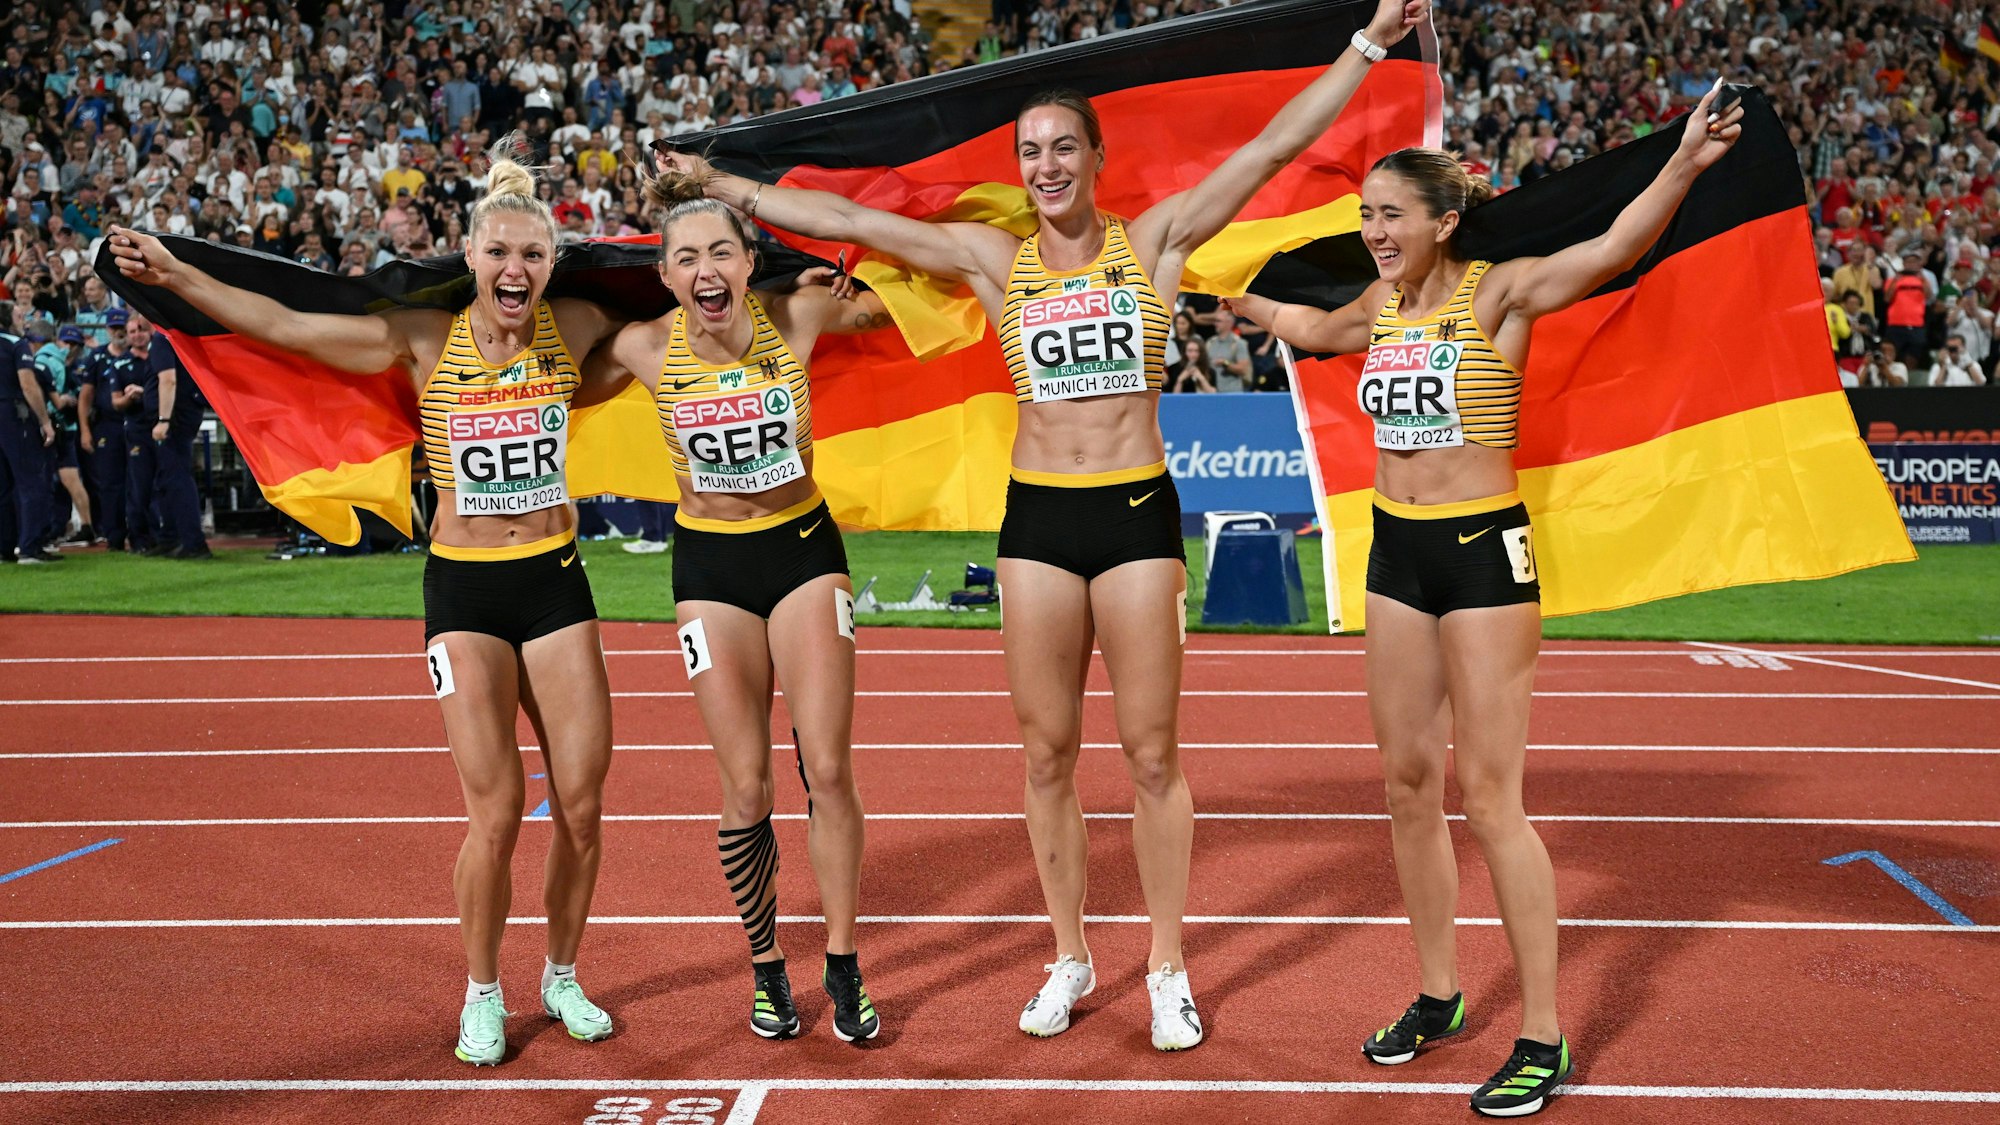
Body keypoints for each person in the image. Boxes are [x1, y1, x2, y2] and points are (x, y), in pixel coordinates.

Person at [660, 0, 1430, 1052]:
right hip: (1036, 523)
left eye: (1063, 146)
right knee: (1044, 754)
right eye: (1030, 152)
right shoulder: (990, 257)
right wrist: (720, 185)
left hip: (1133, 514)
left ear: (1095, 157)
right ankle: (1067, 954)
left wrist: (1367, 42)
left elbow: (1276, 142)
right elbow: (848, 224)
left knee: (1152, 755)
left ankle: (1164, 965)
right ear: (1017, 168)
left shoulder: (1154, 239)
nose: (1046, 164)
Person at [1223, 83, 1745, 1118]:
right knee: (1407, 786)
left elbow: (1606, 256)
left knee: (1489, 799)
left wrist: (1682, 162)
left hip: (1479, 554)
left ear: (1441, 222)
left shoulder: (1496, 292)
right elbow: (1319, 331)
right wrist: (1235, 298)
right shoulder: (1380, 306)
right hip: (1395, 553)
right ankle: (1435, 993)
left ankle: (1541, 1034)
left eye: (1389, 214)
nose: (1372, 231)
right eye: (1364, 214)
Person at [108, 134, 625, 1067]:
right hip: (465, 589)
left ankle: (560, 973)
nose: (516, 268)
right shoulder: (423, 338)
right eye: (500, 252)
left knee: (583, 805)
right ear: (469, 258)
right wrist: (179, 275)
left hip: (557, 580)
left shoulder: (579, 324)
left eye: (533, 254)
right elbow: (285, 326)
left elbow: (679, 326)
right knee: (498, 809)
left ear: (554, 264)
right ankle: (480, 989)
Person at [579, 171, 887, 1043]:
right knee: (746, 782)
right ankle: (766, 969)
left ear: (749, 262)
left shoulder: (801, 315)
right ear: (668, 279)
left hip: (803, 550)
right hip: (710, 567)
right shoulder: (644, 346)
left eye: (721, 250)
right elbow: (548, 373)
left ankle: (843, 962)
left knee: (826, 768)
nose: (706, 268)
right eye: (687, 258)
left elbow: (896, 291)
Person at [141, 328, 212, 559]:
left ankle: (194, 543)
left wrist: (163, 419)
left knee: (177, 477)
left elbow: (168, 379)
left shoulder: (163, 337)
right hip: (184, 411)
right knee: (166, 479)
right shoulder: (177, 335)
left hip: (173, 418)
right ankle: (170, 538)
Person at [1, 316, 60, 563]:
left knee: (2, 486)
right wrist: (45, 421)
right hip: (14, 417)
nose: (22, 320)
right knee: (31, 482)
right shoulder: (17, 344)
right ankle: (30, 546)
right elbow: (27, 384)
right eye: (17, 314)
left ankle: (4, 548)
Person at [76, 308, 134, 551]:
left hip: (134, 422)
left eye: (122, 327)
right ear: (108, 330)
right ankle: (114, 536)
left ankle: (143, 533)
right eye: (114, 328)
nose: (118, 332)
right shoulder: (97, 357)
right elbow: (85, 396)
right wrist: (85, 430)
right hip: (106, 425)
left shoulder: (137, 355)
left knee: (138, 480)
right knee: (109, 483)